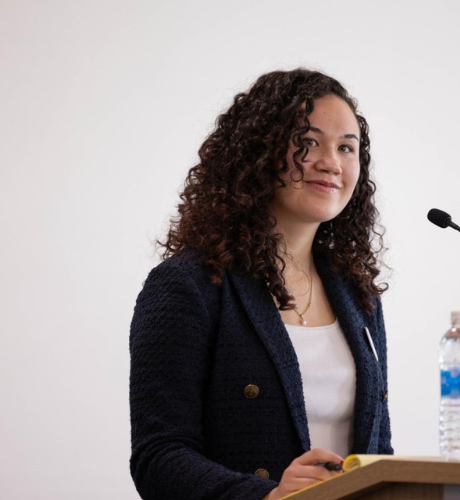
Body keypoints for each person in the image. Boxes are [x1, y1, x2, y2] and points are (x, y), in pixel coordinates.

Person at [129, 69, 392, 500]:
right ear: (258, 152)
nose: (331, 162)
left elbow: (378, 451)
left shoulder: (357, 293)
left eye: (347, 147)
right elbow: (158, 457)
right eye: (308, 142)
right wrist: (267, 496)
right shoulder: (188, 285)